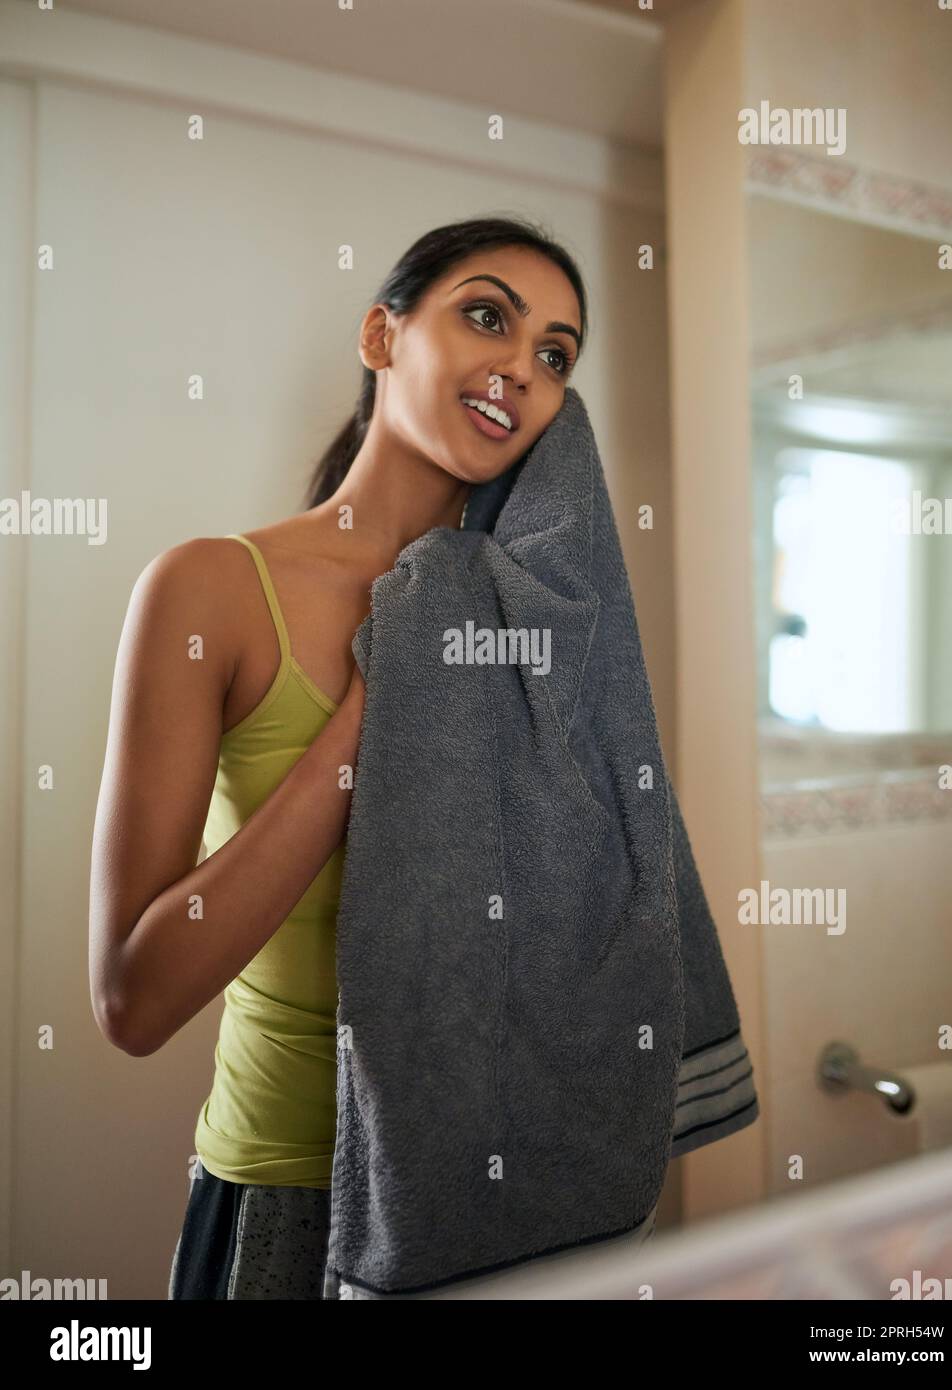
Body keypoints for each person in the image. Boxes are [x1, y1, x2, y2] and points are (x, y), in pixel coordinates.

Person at [88, 215, 592, 1299]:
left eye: (554, 355)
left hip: (492, 1197)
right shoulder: (211, 589)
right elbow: (134, 998)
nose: (520, 365)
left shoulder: (534, 621)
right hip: (288, 1201)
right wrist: (376, 708)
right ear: (381, 335)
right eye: (487, 316)